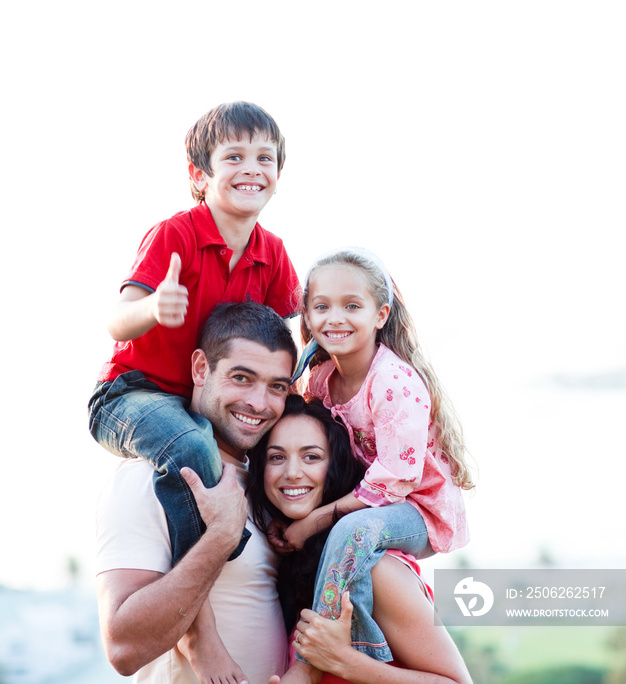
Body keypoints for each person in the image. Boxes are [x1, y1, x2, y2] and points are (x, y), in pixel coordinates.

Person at [89, 100, 301, 567]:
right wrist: (153, 307)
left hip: (203, 401)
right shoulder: (176, 235)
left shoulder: (273, 252)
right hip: (132, 395)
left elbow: (291, 338)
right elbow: (116, 320)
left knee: (306, 429)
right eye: (234, 157)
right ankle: (211, 564)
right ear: (200, 174)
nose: (252, 168)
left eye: (265, 158)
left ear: (278, 176)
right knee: (190, 446)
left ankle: (296, 544)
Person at [276, 247, 474, 672]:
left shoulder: (393, 383)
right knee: (352, 531)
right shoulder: (323, 378)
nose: (335, 318)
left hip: (417, 510)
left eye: (352, 306)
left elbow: (395, 482)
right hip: (370, 506)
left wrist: (316, 518)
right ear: (307, 317)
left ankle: (346, 649)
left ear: (380, 314)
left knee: (353, 530)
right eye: (321, 306)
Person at [95, 301, 298, 684]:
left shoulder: (266, 480)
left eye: (276, 386)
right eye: (242, 378)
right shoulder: (145, 478)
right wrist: (220, 538)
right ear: (201, 368)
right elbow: (123, 648)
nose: (258, 402)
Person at [248, 395, 473, 684]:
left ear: (336, 466)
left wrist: (345, 663)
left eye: (312, 457)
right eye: (277, 457)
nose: (292, 473)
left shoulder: (374, 569)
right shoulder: (290, 561)